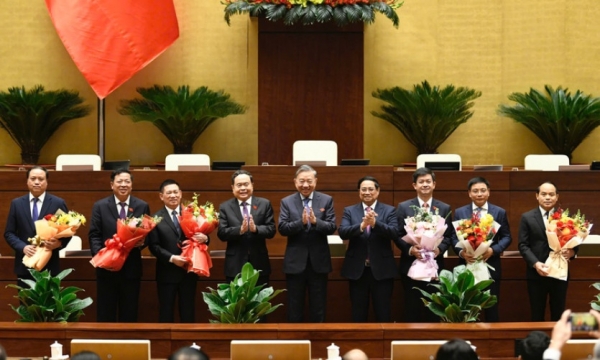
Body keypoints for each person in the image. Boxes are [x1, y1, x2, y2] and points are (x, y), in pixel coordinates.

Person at [88, 169, 150, 322]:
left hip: (131, 268)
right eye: (119, 181)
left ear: (131, 185)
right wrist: (102, 258)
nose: (123, 185)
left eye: (127, 182)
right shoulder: (100, 206)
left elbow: (148, 235)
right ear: (112, 185)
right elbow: (94, 235)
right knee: (105, 313)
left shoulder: (142, 206)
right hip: (106, 270)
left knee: (129, 313)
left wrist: (142, 243)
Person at [278, 165, 337, 323]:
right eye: (302, 181)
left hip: (319, 262)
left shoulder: (326, 200)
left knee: (318, 307)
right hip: (295, 263)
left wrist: (315, 221)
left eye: (309, 181)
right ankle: (293, 344)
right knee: (294, 307)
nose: (305, 185)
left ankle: (318, 342)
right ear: (295, 182)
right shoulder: (287, 202)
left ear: (315, 182)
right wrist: (301, 223)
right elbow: (282, 228)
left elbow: (331, 227)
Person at [396, 167, 453, 323]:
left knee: (434, 309)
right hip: (410, 265)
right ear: (414, 185)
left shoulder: (444, 208)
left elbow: (449, 236)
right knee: (411, 307)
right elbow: (398, 234)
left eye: (428, 181)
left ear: (434, 184)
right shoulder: (404, 207)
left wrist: (439, 249)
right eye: (421, 182)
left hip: (435, 266)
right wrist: (410, 249)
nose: (425, 184)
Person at [339, 176, 399, 322]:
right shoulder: (350, 211)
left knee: (383, 312)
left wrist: (374, 224)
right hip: (357, 270)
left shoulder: (389, 210)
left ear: (377, 191)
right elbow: (343, 232)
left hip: (382, 270)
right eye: (363, 189)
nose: (367, 192)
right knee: (358, 313)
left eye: (371, 189)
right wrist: (361, 226)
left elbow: (394, 232)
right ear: (359, 192)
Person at [452, 176, 512, 322]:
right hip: (467, 265)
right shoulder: (460, 212)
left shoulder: (499, 212)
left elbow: (507, 237)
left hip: (490, 265)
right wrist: (462, 253)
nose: (479, 194)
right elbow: (453, 238)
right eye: (475, 191)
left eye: (483, 190)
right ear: (469, 193)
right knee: (468, 306)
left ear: (489, 192)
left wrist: (493, 250)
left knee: (490, 306)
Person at [148, 179, 207, 323]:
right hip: (167, 273)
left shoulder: (193, 214)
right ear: (161, 196)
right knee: (166, 312)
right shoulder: (155, 218)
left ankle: (189, 344)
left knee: (188, 312)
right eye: (169, 193)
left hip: (189, 272)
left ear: (180, 194)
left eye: (175, 192)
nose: (173, 195)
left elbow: (202, 237)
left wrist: (205, 238)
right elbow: (153, 246)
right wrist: (172, 258)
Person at [4, 166, 71, 287]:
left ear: (46, 182)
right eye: (33, 178)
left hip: (49, 265)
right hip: (24, 265)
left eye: (41, 179)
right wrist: (23, 247)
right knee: (26, 304)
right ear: (27, 181)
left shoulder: (57, 203)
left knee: (49, 304)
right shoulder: (17, 204)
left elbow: (67, 230)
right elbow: (9, 233)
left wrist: (59, 244)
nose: (36, 182)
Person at [518, 182, 575, 321]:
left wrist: (573, 252)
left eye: (551, 194)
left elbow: (573, 241)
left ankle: (558, 341)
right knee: (537, 312)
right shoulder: (527, 217)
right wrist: (536, 264)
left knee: (559, 311)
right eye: (544, 194)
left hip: (560, 271)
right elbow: (523, 245)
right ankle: (538, 343)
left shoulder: (566, 217)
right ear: (537, 196)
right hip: (537, 272)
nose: (547, 197)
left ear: (557, 197)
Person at [218, 170, 276, 287]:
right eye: (239, 185)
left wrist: (256, 229)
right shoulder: (225, 207)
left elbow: (271, 230)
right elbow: (222, 233)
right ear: (232, 188)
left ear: (252, 185)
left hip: (259, 263)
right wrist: (239, 230)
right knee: (236, 303)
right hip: (235, 265)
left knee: (260, 302)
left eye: (246, 184)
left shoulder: (264, 204)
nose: (243, 188)